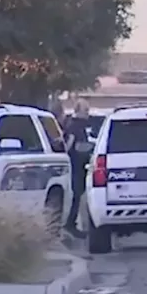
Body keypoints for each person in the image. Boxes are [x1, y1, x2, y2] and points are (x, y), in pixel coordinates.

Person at [60, 100, 94, 238]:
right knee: (75, 194)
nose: (88, 113)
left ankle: (72, 223)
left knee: (78, 194)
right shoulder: (74, 125)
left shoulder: (80, 125)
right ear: (78, 110)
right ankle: (70, 224)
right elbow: (69, 145)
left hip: (81, 165)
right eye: (86, 110)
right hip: (74, 165)